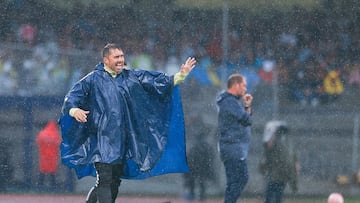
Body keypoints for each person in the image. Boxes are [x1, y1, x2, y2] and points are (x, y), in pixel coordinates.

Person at [58, 43, 196, 203]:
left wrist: (180, 75)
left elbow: (157, 83)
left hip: (123, 141)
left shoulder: (132, 76)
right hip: (102, 141)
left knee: (114, 182)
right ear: (106, 60)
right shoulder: (92, 80)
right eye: (116, 57)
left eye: (122, 56)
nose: (121, 60)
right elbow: (71, 98)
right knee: (105, 180)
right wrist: (75, 111)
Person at [216, 73, 253, 203]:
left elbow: (245, 120)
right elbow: (247, 120)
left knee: (234, 181)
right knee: (241, 178)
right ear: (236, 85)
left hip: (232, 147)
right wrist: (247, 108)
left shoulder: (229, 101)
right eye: (243, 85)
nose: (245, 89)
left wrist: (247, 106)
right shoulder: (229, 101)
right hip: (233, 147)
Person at [258, 120, 299, 203]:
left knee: (275, 195)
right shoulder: (279, 146)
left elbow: (291, 161)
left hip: (278, 176)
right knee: (273, 195)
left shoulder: (284, 147)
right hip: (275, 176)